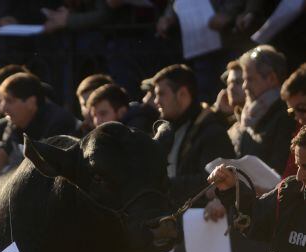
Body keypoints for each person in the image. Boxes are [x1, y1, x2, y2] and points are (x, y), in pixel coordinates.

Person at [152, 64, 235, 214]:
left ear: (182, 94)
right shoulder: (174, 130)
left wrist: (164, 184)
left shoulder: (212, 132)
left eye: (161, 94)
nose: (156, 101)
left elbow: (213, 181)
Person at [0, 72, 77, 176]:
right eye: (3, 101)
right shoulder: (14, 124)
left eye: (9, 101)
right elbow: (2, 153)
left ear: (31, 102)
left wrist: (5, 167)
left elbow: (48, 173)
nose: (3, 107)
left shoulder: (59, 123)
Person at [230, 45, 297, 175]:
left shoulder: (286, 116)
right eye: (243, 80)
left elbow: (278, 170)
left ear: (271, 78)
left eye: (250, 79)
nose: (245, 86)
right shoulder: (248, 115)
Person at [86, 83, 157, 132]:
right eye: (94, 115)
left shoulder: (137, 130)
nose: (97, 121)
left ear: (121, 112)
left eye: (103, 114)